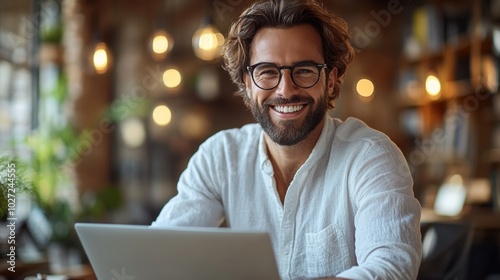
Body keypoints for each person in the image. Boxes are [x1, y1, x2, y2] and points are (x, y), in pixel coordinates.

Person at [152, 0, 422, 279]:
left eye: (304, 70)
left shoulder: (371, 156)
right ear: (247, 81)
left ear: (330, 79)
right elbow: (159, 252)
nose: (286, 90)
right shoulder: (220, 157)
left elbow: (392, 269)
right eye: (267, 71)